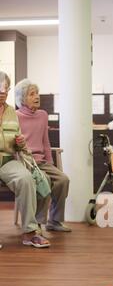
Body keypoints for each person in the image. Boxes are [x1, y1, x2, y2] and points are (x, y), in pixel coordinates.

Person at [0, 71, 50, 248]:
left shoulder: (12, 113)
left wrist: (20, 142)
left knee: (26, 178)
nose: (2, 92)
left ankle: (30, 232)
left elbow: (19, 142)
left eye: (5, 88)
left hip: (7, 160)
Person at [15, 79, 71, 232]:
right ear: (22, 99)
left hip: (42, 161)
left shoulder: (42, 115)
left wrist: (51, 163)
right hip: (25, 161)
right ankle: (37, 223)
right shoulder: (15, 116)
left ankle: (55, 221)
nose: (36, 97)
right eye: (31, 94)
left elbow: (46, 142)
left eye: (37, 93)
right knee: (44, 180)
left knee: (63, 180)